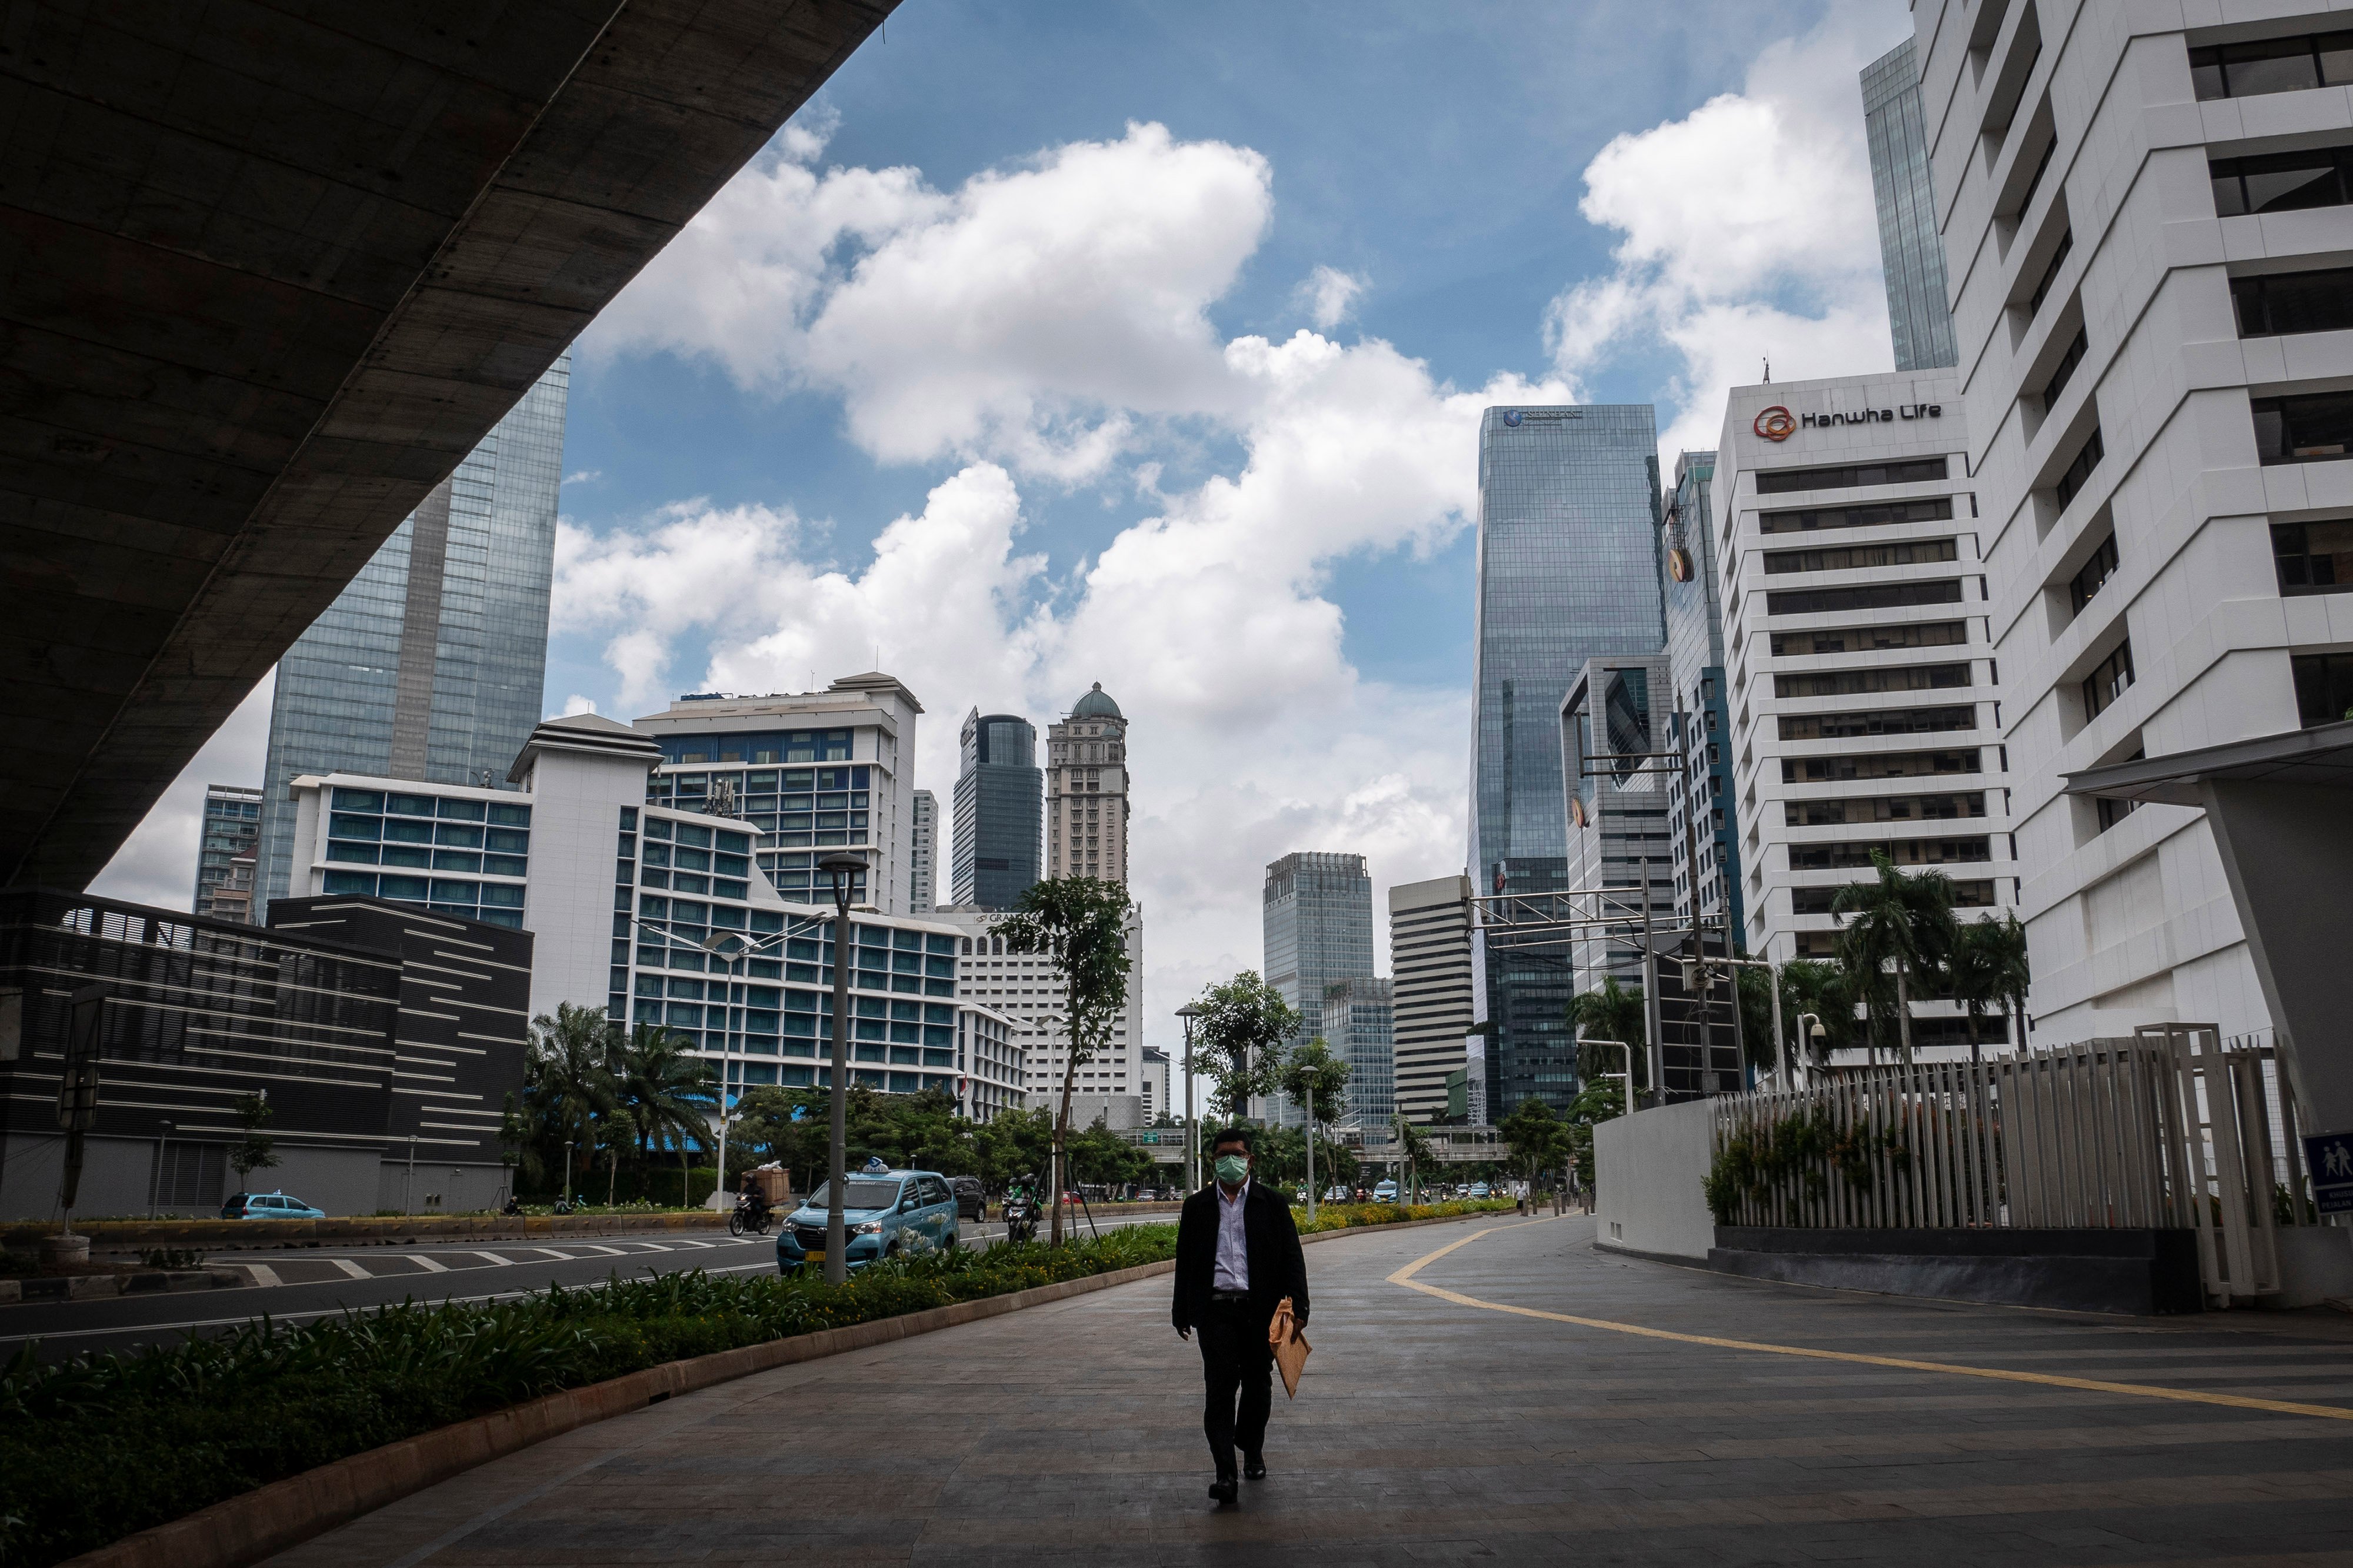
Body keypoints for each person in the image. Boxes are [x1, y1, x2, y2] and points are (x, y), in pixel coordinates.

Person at [1172, 1126, 1309, 1505]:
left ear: (1250, 1159)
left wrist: (1300, 1305)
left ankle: (1251, 1446)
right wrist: (1180, 1310)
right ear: (1212, 1160)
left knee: (1258, 1387)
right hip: (1214, 1310)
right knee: (1218, 1390)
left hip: (1260, 1310)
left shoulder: (1273, 1203)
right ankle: (1225, 1475)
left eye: (1236, 1153)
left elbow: (1292, 1258)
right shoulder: (1196, 1206)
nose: (1229, 1161)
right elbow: (1185, 1262)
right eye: (1221, 1155)